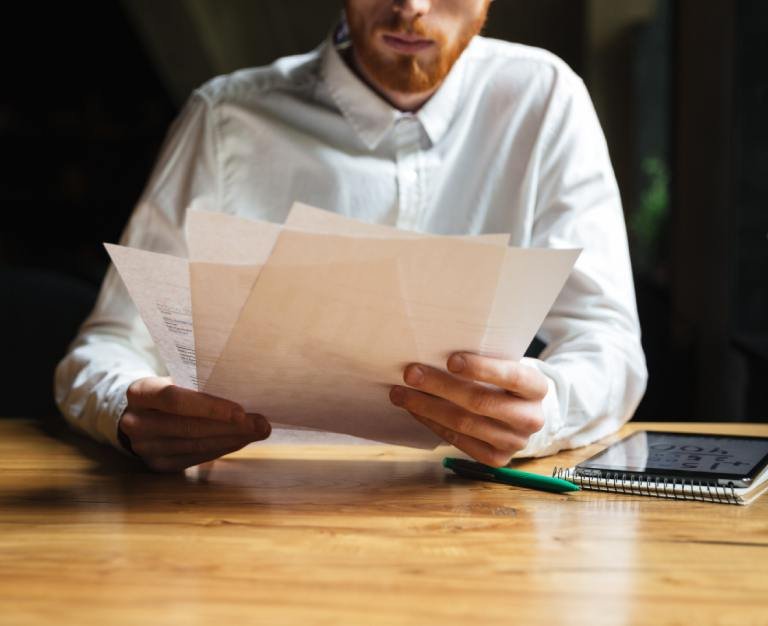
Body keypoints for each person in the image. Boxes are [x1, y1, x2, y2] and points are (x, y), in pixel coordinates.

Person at [55, 0, 647, 472]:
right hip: (244, 512)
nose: (411, 6)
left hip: (472, 509)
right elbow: (105, 347)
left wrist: (547, 411)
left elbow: (610, 341)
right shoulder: (225, 120)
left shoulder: (545, 100)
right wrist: (130, 410)